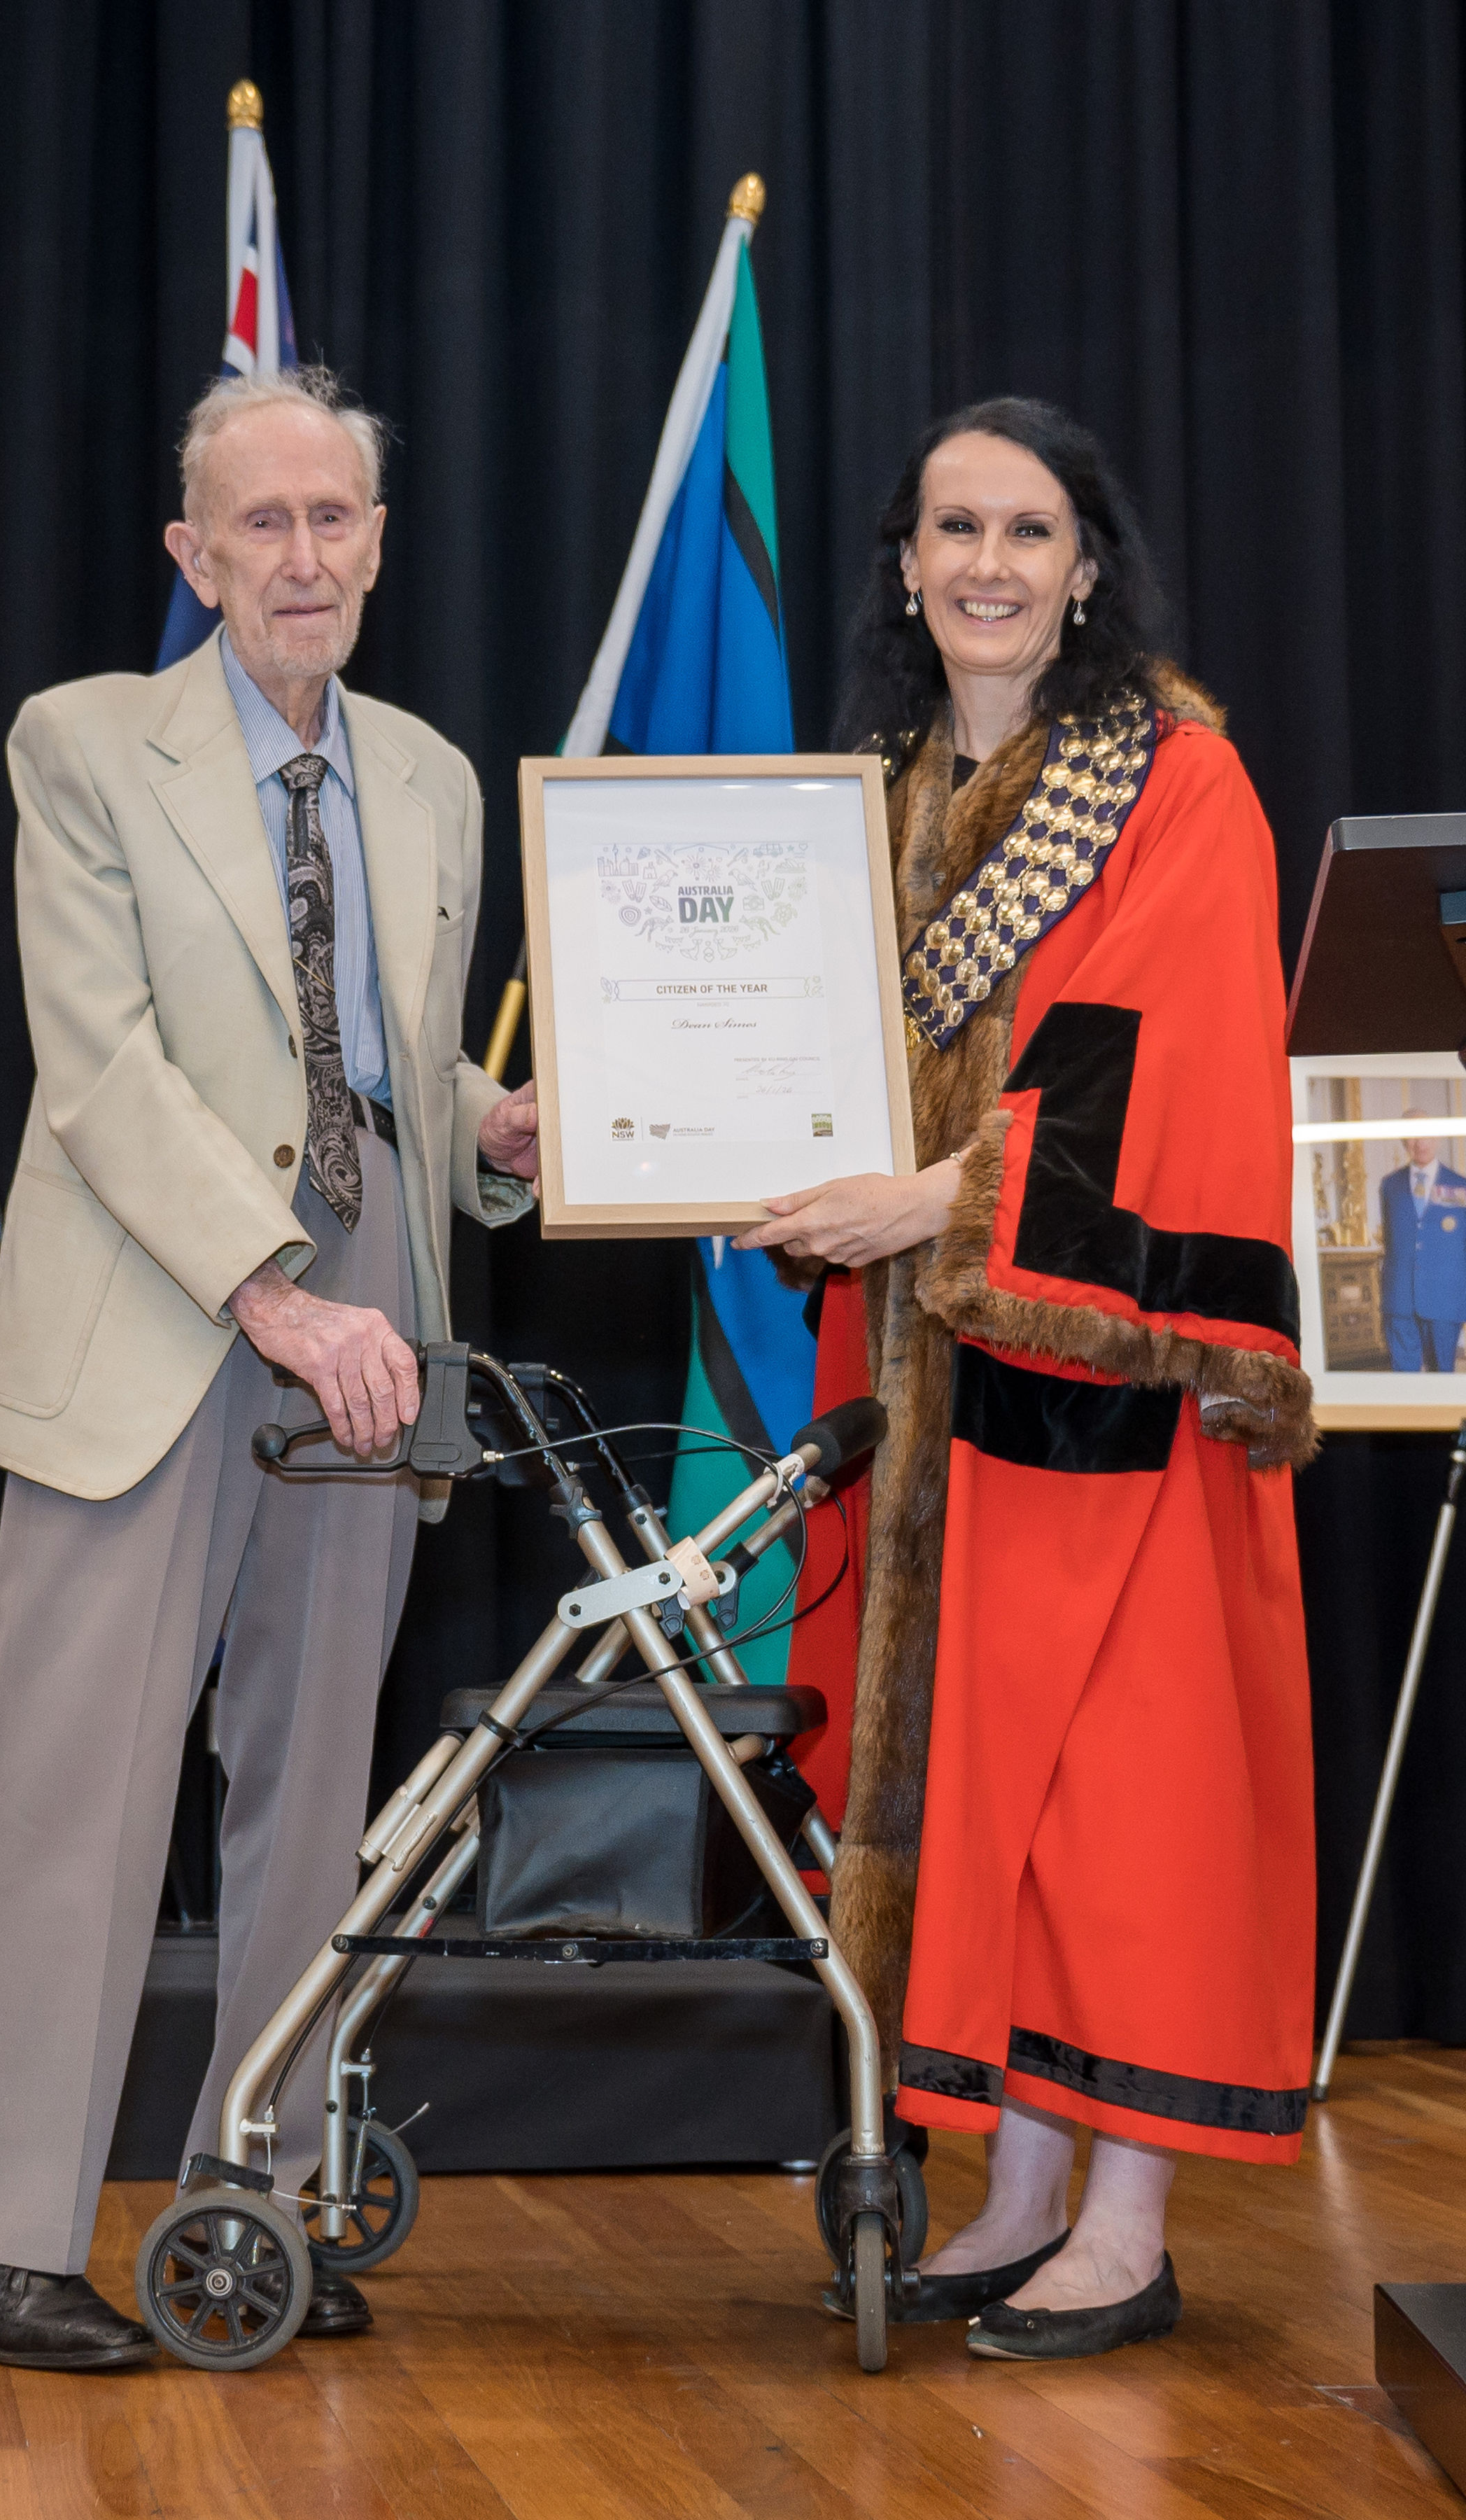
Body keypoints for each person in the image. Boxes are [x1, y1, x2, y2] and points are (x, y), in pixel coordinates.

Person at [0, 366, 538, 2370]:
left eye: (332, 516)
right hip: (164, 1295)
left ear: (379, 545)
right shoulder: (85, 742)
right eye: (259, 522)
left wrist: (494, 1134)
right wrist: (274, 1294)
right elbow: (100, 1064)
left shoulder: (432, 777)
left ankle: (243, 2204)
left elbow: (381, 1060)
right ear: (192, 556)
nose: (301, 553)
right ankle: (0, 2239)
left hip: (375, 1311)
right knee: (71, 1786)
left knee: (314, 1790)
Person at [738, 398, 1316, 2360]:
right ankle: (1014, 2190)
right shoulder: (878, 795)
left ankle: (1125, 2225)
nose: (986, 563)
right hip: (921, 1375)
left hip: (1104, 1370)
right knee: (979, 1790)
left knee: (1116, 1796)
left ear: (1085, 570)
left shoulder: (1173, 781)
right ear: (903, 564)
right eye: (952, 527)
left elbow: (1166, 1072)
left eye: (1028, 530)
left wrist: (936, 1200)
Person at [1379, 1114, 1466, 1371]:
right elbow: (1390, 1241)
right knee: (1404, 1378)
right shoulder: (1390, 1185)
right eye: (1412, 1136)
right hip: (1400, 1299)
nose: (1420, 1143)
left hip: (1445, 1300)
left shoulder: (1460, 1185)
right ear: (1403, 1141)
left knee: (1442, 1377)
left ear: (1437, 1137)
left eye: (1426, 1134)